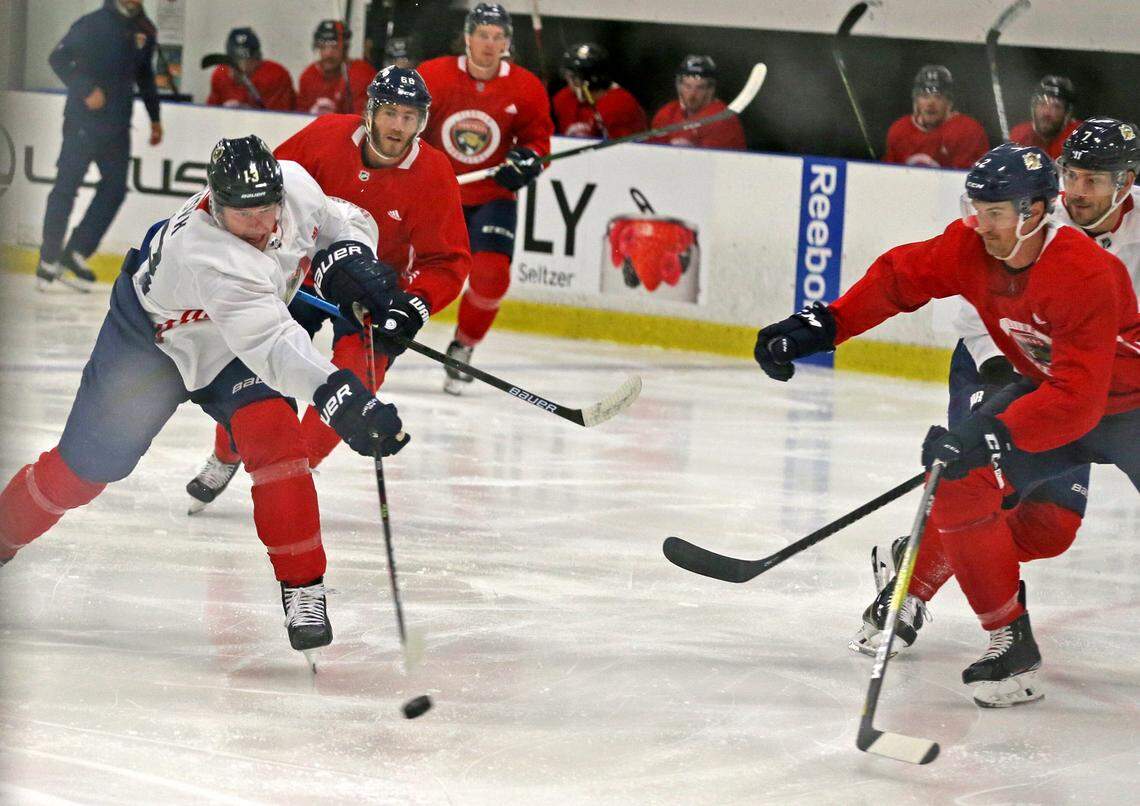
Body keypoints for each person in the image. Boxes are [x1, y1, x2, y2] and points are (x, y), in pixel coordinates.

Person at [753, 142, 1140, 707]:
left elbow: (1079, 399)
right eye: (975, 209)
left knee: (1046, 527)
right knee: (960, 482)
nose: (979, 225)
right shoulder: (971, 247)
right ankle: (1009, 640)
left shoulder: (1087, 273)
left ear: (1034, 213)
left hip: (1123, 408)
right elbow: (897, 280)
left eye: (994, 214)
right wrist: (824, 325)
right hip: (1050, 392)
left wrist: (995, 432)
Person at [0, 136, 412, 658]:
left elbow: (345, 220)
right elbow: (273, 344)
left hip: (233, 342)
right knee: (84, 469)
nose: (262, 225)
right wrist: (343, 398)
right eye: (245, 214)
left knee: (277, 439)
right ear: (215, 207)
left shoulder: (295, 186)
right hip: (151, 344)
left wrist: (353, 262)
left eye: (268, 208)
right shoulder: (208, 254)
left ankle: (304, 589)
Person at [851, 117, 1140, 659]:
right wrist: (1005, 381)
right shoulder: (1030, 219)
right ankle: (907, 591)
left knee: (1050, 528)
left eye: (1092, 181)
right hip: (1013, 371)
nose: (1076, 191)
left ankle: (923, 549)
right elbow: (979, 309)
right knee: (979, 482)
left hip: (1102, 392)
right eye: (1071, 175)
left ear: (1124, 184)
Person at [185, 67, 471, 513]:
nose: (399, 126)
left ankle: (295, 466)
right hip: (300, 276)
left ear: (422, 122)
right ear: (371, 111)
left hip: (370, 294)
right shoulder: (323, 137)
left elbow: (447, 262)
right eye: (391, 112)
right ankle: (227, 453)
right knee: (254, 359)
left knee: (358, 377)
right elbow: (264, 194)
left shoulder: (433, 173)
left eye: (410, 117)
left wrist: (415, 304)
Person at [417, 3, 553, 395]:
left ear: (507, 43)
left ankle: (464, 346)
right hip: (439, 196)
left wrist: (528, 160)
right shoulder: (433, 76)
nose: (490, 44)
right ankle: (379, 339)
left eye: (498, 37)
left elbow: (537, 141)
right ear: (467, 36)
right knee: (403, 270)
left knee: (492, 277)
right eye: (483, 35)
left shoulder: (525, 86)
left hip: (493, 196)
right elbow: (408, 129)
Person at [36, 0, 163, 292]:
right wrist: (85, 89)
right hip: (83, 124)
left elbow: (144, 76)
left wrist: (155, 118)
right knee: (66, 188)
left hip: (117, 127)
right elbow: (58, 58)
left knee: (115, 188)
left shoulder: (144, 29)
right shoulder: (92, 24)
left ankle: (76, 251)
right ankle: (48, 258)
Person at [884, 65, 989, 169]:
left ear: (949, 102)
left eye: (938, 97)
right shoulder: (900, 130)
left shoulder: (968, 130)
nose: (931, 103)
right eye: (925, 96)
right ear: (916, 101)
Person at [646, 55, 746, 151]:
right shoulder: (666, 114)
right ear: (679, 87)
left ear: (710, 90)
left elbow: (713, 163)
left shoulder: (722, 119)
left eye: (700, 88)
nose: (692, 95)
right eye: (687, 86)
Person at [551, 42, 647, 140]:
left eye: (572, 76)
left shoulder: (619, 107)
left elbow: (625, 151)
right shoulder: (564, 98)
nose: (567, 79)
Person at [296, 20, 377, 116]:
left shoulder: (362, 73)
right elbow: (299, 117)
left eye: (335, 47)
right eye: (323, 47)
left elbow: (363, 120)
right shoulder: (308, 76)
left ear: (345, 49)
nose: (328, 53)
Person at [206, 27, 296, 111]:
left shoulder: (276, 75)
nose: (238, 65)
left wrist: (249, 112)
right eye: (234, 58)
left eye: (245, 59)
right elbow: (210, 114)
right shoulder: (220, 75)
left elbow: (279, 119)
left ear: (257, 59)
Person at [1009, 76, 1081, 160]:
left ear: (1066, 113)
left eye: (1056, 107)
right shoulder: (1020, 135)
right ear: (1033, 107)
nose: (1047, 112)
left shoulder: (1079, 136)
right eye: (1042, 104)